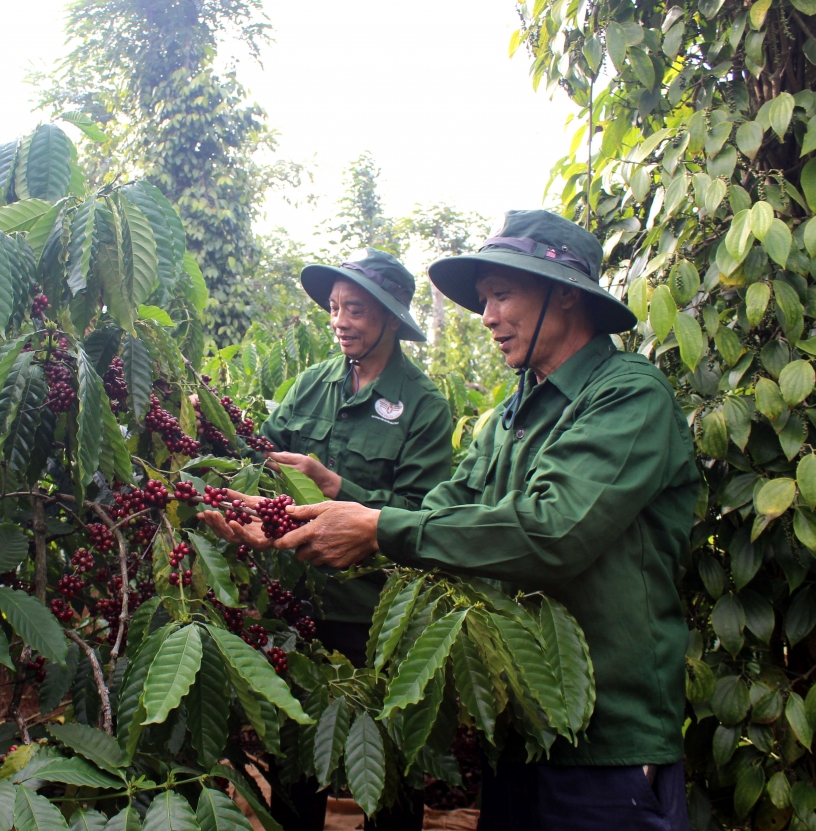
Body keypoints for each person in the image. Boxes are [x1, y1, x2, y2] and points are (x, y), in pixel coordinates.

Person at [207, 211, 699, 831]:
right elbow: (443, 510)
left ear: (566, 294)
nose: (487, 316)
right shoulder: (511, 417)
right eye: (484, 299)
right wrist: (298, 520)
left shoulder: (627, 397)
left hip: (606, 746)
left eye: (502, 294)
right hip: (520, 724)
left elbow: (553, 528)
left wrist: (377, 527)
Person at [211, 248, 453, 831]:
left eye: (358, 311)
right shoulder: (313, 384)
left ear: (391, 321)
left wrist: (337, 484)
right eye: (336, 308)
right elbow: (260, 458)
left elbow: (426, 515)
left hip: (376, 614)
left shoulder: (423, 406)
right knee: (295, 759)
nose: (341, 321)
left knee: (390, 762)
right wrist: (213, 425)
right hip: (303, 606)